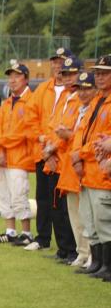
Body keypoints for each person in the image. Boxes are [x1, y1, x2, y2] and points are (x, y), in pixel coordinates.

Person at [22, 47, 73, 250]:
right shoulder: (43, 89)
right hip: (42, 151)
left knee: (60, 202)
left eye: (62, 61)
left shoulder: (73, 91)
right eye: (55, 61)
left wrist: (53, 147)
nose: (58, 65)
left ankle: (66, 245)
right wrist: (43, 140)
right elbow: (30, 118)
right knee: (43, 197)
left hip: (62, 153)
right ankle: (42, 238)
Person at [70, 54, 111, 281]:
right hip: (87, 172)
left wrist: (80, 153)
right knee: (90, 219)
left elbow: (100, 141)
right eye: (99, 73)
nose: (101, 77)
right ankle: (97, 261)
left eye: (105, 73)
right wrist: (76, 156)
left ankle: (107, 264)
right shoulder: (97, 101)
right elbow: (82, 133)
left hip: (102, 173)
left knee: (104, 220)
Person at [38, 57, 82, 263]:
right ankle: (63, 249)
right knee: (55, 207)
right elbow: (52, 127)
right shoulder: (64, 98)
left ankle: (72, 250)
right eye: (64, 74)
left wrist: (52, 149)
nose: (66, 78)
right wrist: (48, 151)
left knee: (67, 209)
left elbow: (70, 132)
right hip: (54, 160)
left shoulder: (79, 99)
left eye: (71, 74)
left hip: (66, 161)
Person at [0, 63, 35, 244]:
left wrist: (2, 144)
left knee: (19, 194)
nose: (13, 80)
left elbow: (24, 131)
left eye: (17, 76)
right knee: (2, 193)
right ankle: (10, 230)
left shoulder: (31, 101)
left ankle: (26, 233)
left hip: (19, 157)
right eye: (10, 76)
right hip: (1, 157)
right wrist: (0, 150)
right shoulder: (7, 103)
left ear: (26, 79)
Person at [56, 72, 96, 268]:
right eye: (80, 88)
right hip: (71, 168)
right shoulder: (78, 110)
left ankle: (90, 254)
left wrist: (68, 136)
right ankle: (82, 252)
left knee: (88, 215)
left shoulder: (93, 111)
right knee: (75, 213)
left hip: (86, 169)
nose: (83, 92)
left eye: (88, 88)